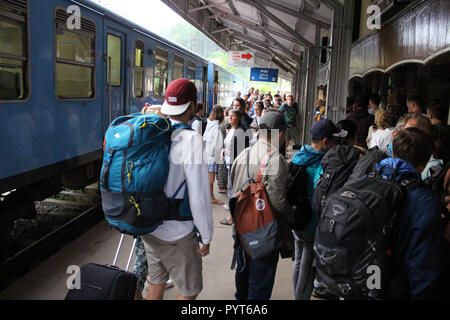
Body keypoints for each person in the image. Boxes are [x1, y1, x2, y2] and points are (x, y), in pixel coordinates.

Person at [141, 78, 213, 300]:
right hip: (177, 233)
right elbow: (199, 195)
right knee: (190, 291)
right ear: (191, 106)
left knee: (155, 282)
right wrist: (206, 234)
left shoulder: (152, 130)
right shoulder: (190, 139)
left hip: (149, 226)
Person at [230, 112, 295, 300]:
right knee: (259, 288)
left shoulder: (243, 154)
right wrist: (293, 218)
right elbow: (278, 202)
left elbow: (233, 192)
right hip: (263, 235)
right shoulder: (275, 160)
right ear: (281, 134)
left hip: (241, 231)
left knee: (242, 282)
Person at [379, 128, 442, 299]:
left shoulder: (369, 178)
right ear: (424, 164)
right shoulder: (425, 201)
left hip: (365, 272)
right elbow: (421, 264)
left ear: (393, 152)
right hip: (392, 282)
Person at [291, 119, 347, 300]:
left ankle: (296, 294)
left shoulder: (300, 155)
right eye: (334, 140)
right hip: (311, 222)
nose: (336, 144)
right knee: (307, 270)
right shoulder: (321, 163)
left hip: (296, 218)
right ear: (325, 141)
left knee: (298, 261)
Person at [221, 109, 248, 223]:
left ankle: (232, 217)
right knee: (231, 187)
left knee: (233, 188)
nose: (230, 118)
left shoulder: (241, 131)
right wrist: (223, 150)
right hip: (228, 161)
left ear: (239, 118)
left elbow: (242, 151)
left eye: (232, 116)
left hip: (235, 163)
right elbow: (228, 144)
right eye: (228, 116)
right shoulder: (229, 128)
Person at [204, 105, 225, 206]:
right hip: (212, 156)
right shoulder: (216, 128)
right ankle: (211, 197)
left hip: (206, 154)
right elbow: (218, 145)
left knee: (209, 179)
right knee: (211, 179)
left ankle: (210, 196)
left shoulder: (209, 125)